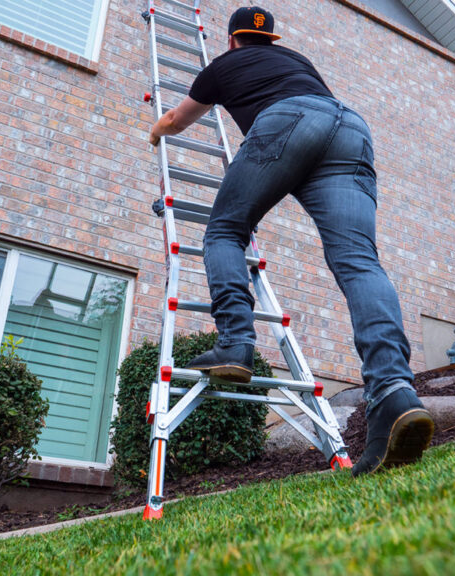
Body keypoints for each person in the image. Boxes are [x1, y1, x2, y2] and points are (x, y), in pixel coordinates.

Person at [149, 6, 434, 476]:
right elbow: (316, 108)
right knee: (360, 261)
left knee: (225, 230)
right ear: (271, 41)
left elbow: (178, 119)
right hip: (350, 128)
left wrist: (154, 132)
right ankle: (393, 391)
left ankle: (235, 342)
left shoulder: (222, 65)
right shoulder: (297, 61)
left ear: (232, 40)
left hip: (288, 122)